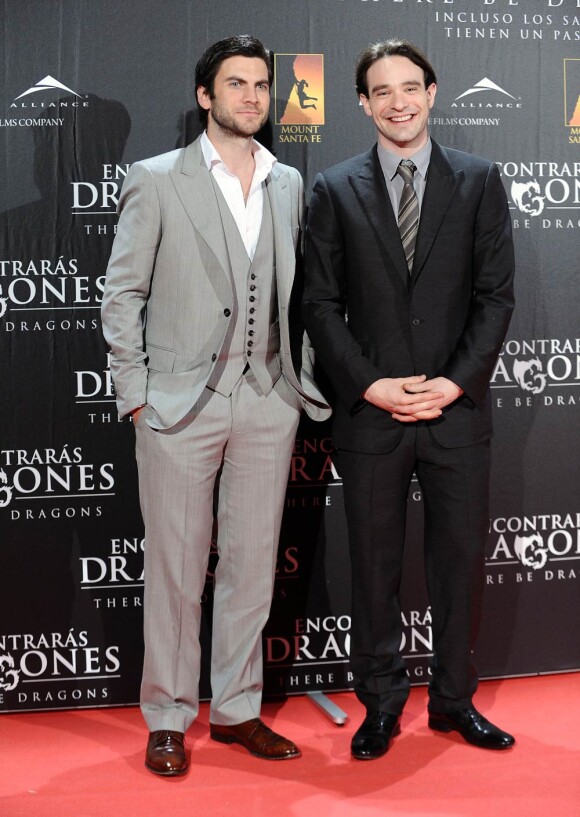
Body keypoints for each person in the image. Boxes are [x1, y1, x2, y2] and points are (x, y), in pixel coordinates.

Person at [101, 34, 329, 777]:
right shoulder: (156, 178)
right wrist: (135, 395)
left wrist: (298, 383)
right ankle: (167, 714)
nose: (252, 97)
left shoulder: (288, 181)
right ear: (206, 96)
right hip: (178, 405)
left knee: (252, 564)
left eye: (262, 85)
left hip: (268, 398)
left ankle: (235, 710)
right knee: (174, 567)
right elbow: (122, 294)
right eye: (236, 84)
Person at [303, 39, 515, 759]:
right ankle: (382, 703)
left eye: (410, 87)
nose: (398, 101)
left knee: (460, 565)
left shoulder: (481, 180)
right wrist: (370, 383)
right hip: (372, 415)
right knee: (374, 568)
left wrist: (455, 382)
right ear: (362, 103)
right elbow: (321, 304)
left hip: (456, 412)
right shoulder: (333, 188)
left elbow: (495, 296)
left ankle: (455, 700)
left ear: (431, 92)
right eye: (381, 90)